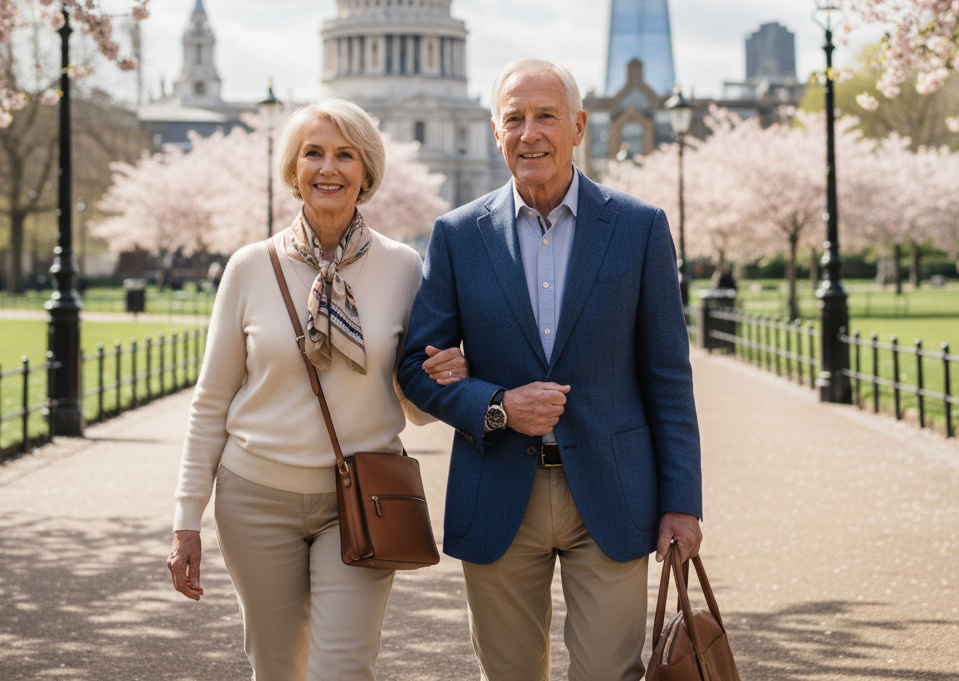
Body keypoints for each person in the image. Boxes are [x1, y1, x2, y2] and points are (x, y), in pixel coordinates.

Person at [398, 58, 703, 681]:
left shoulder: (640, 228)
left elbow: (669, 379)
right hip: (497, 489)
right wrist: (496, 404)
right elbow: (416, 366)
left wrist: (682, 501)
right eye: (514, 119)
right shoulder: (457, 234)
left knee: (608, 673)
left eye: (545, 116)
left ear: (578, 126)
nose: (529, 132)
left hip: (614, 494)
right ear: (495, 130)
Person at [167, 97, 467, 681]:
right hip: (254, 498)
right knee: (277, 666)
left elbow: (411, 404)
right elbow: (210, 403)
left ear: (367, 172)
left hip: (361, 499)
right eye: (314, 153)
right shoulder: (251, 267)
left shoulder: (405, 268)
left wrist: (442, 379)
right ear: (293, 169)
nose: (328, 168)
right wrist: (185, 522)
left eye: (344, 155)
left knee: (344, 666)